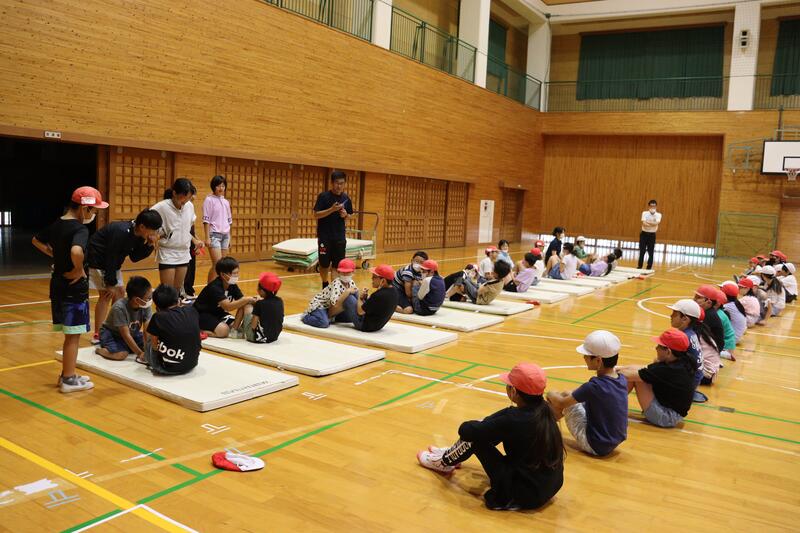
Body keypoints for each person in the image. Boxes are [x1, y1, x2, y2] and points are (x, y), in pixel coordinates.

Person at [417, 363, 564, 511]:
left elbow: (465, 430)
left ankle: (443, 462)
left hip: (525, 495)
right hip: (548, 486)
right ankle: (452, 453)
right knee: (484, 431)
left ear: (513, 391)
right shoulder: (544, 410)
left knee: (475, 438)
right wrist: (484, 425)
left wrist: (481, 425)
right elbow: (497, 422)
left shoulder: (514, 419)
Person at [32, 186, 109, 393]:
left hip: (57, 285)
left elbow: (36, 240)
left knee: (69, 335)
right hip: (73, 289)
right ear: (84, 208)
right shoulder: (80, 229)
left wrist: (56, 256)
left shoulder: (58, 224)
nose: (94, 214)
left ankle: (68, 373)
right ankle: (68, 379)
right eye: (94, 210)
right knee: (73, 336)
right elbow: (76, 251)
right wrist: (78, 269)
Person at [86, 208, 162, 344]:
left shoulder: (139, 234)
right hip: (98, 261)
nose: (154, 233)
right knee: (106, 295)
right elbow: (110, 256)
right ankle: (98, 333)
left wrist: (150, 245)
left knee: (120, 292)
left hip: (113, 264)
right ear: (142, 226)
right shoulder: (121, 232)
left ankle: (113, 327)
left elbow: (134, 257)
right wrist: (110, 283)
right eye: (153, 230)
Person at [546, 330, 628, 456]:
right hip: (613, 441)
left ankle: (542, 428)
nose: (584, 357)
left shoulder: (594, 387)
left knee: (563, 398)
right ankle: (547, 426)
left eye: (587, 355)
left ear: (598, 361)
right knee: (570, 395)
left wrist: (550, 394)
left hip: (595, 445)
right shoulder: (621, 379)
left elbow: (561, 403)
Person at [616, 328, 695, 428]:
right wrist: (618, 368)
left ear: (668, 352)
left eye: (659, 346)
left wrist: (609, 370)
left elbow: (630, 375)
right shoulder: (680, 361)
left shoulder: (671, 370)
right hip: (672, 411)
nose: (656, 348)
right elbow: (643, 369)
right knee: (638, 375)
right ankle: (610, 404)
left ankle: (608, 404)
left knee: (636, 378)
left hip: (667, 417)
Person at [151, 178, 205, 296]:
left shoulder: (189, 206)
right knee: (167, 291)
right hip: (167, 253)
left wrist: (195, 241)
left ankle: (175, 307)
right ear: (174, 193)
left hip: (184, 253)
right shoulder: (161, 207)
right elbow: (146, 222)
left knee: (177, 290)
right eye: (182, 198)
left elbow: (186, 229)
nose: (184, 202)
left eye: (188, 198)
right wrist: (156, 236)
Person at [145, 284, 200, 375]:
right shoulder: (192, 310)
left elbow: (154, 345)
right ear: (178, 300)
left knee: (149, 332)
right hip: (192, 363)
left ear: (157, 307)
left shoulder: (158, 317)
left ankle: (146, 358)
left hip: (166, 369)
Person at [95, 276, 153, 363]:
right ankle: (100, 351)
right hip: (111, 334)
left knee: (154, 344)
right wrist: (140, 353)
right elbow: (125, 334)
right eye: (148, 298)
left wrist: (148, 351)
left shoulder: (145, 305)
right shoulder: (119, 308)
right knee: (122, 354)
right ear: (137, 300)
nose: (150, 300)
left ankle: (126, 346)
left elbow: (147, 330)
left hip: (132, 333)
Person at [194, 257, 255, 338]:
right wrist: (246, 299)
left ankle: (233, 331)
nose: (237, 276)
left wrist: (255, 300)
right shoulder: (215, 287)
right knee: (224, 331)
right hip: (202, 315)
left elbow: (241, 301)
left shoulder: (232, 285)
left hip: (219, 314)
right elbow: (227, 306)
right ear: (223, 275)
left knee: (236, 322)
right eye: (234, 273)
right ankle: (196, 331)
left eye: (237, 273)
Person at [314, 171, 353, 289]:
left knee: (337, 264)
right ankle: (325, 284)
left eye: (342, 183)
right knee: (324, 264)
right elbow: (316, 214)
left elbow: (350, 215)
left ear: (345, 183)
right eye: (337, 183)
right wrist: (331, 209)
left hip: (339, 237)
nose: (339, 186)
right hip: (325, 236)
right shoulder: (323, 196)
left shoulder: (346, 198)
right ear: (332, 183)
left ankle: (334, 288)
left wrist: (345, 215)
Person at [665, 299, 706, 403]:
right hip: (694, 380)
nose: (671, 316)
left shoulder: (683, 337)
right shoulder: (691, 333)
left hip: (687, 384)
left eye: (674, 314)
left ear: (684, 319)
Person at [339, 264, 398, 332]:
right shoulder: (394, 291)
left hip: (365, 325)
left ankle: (337, 317)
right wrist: (364, 299)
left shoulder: (378, 295)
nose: (371, 278)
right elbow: (375, 305)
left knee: (349, 298)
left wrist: (360, 298)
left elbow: (360, 312)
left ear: (383, 281)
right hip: (377, 324)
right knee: (355, 292)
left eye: (374, 277)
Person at [302, 259, 358, 328]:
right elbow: (335, 304)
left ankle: (331, 317)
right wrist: (347, 292)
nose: (345, 275)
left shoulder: (351, 282)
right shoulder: (337, 284)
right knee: (324, 323)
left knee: (351, 317)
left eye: (348, 272)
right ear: (338, 272)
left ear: (353, 272)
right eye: (343, 272)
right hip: (320, 306)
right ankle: (306, 317)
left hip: (329, 308)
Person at [203, 175, 233, 283]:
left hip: (225, 236)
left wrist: (230, 237)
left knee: (223, 266)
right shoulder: (209, 200)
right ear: (213, 186)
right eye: (218, 186)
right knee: (217, 264)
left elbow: (229, 221)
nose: (221, 188)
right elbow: (206, 220)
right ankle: (209, 288)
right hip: (214, 235)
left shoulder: (226, 202)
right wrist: (207, 237)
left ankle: (218, 288)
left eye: (223, 186)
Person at [445, 261, 510, 305]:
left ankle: (447, 295)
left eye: (493, 270)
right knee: (462, 278)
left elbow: (479, 291)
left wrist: (469, 286)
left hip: (478, 297)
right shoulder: (500, 281)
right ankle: (450, 294)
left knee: (462, 277)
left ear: (497, 273)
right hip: (481, 296)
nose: (492, 271)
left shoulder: (493, 282)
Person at [244, 272, 284, 344]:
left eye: (258, 288)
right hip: (274, 336)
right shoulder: (280, 300)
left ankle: (238, 331)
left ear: (262, 291)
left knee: (247, 306)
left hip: (259, 338)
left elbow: (253, 326)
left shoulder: (260, 303)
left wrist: (255, 308)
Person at [638, 199, 661, 270]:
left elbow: (656, 223)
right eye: (651, 206)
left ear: (656, 206)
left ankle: (649, 266)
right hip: (644, 234)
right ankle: (640, 266)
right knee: (642, 251)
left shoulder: (658, 215)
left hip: (652, 235)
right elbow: (644, 223)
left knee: (651, 251)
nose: (652, 207)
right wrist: (652, 224)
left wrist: (648, 223)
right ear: (649, 206)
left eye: (654, 206)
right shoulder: (644, 213)